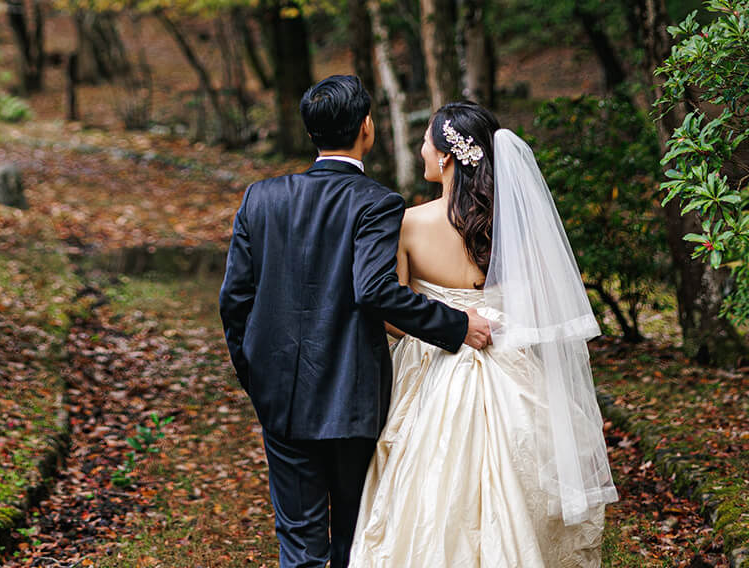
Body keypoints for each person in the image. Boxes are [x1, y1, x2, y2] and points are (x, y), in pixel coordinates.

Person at [219, 75, 493, 568]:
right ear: (367, 127)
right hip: (353, 397)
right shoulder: (377, 202)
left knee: (298, 544)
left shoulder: (261, 198)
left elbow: (234, 300)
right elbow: (375, 291)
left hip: (279, 393)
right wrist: (455, 325)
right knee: (351, 539)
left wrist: (256, 375)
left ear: (311, 132)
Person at [348, 101, 617, 568]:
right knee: (518, 478)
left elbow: (393, 314)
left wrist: (437, 323)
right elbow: (539, 305)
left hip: (431, 367)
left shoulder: (409, 224)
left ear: (448, 155)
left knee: (427, 483)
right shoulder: (511, 225)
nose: (422, 149)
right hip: (512, 364)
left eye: (427, 141)